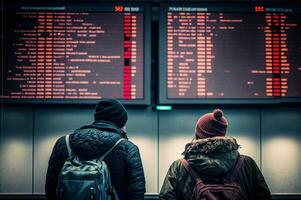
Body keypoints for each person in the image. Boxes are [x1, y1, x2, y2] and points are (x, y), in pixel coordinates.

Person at [45, 98, 145, 200]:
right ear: (122, 124)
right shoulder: (128, 148)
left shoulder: (64, 143)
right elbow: (136, 193)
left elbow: (50, 188)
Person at [160, 109, 271, 200]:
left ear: (198, 134)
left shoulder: (180, 166)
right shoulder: (247, 164)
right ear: (223, 134)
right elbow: (264, 196)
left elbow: (166, 197)